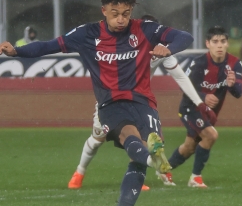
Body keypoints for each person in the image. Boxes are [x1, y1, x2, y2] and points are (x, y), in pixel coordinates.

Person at [0, 0, 199, 206]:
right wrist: (16, 51)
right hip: (110, 105)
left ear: (131, 11)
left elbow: (184, 37)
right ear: (104, 11)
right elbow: (48, 46)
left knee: (139, 158)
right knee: (130, 138)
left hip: (144, 102)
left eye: (126, 13)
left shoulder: (144, 30)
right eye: (115, 13)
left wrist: (168, 48)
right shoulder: (87, 34)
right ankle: (152, 160)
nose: (121, 19)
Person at [67, 14, 215, 191]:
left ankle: (141, 176)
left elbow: (181, 77)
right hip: (110, 101)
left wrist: (199, 103)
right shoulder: (123, 46)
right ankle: (79, 172)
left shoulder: (160, 51)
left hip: (138, 101)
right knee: (97, 139)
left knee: (150, 137)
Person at [160, 26, 242, 188]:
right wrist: (204, 97)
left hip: (209, 113)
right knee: (211, 136)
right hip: (190, 108)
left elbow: (238, 93)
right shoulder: (199, 63)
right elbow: (185, 88)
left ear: (227, 44)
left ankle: (164, 169)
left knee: (189, 147)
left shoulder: (234, 63)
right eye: (215, 41)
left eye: (223, 41)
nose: (219, 45)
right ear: (208, 44)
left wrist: (232, 86)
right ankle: (195, 178)